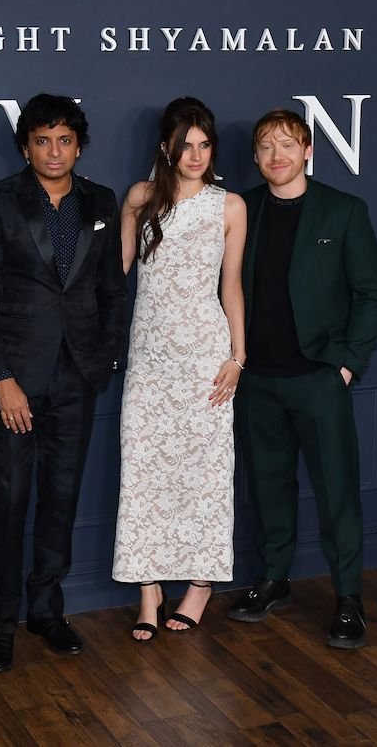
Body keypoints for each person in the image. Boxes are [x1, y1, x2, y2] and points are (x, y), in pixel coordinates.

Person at [0, 94, 126, 672]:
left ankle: (46, 610)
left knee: (61, 498)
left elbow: (112, 289)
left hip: (78, 377)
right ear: (25, 146)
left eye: (64, 139)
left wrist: (103, 359)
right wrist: (0, 378)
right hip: (16, 380)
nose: (53, 151)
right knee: (9, 500)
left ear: (78, 145)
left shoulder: (100, 201)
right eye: (41, 140)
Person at [227, 108, 377, 649]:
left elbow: (371, 292)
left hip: (319, 377)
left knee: (336, 490)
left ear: (308, 150)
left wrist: (346, 362)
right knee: (268, 488)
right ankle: (273, 581)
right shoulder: (240, 208)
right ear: (255, 156)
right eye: (267, 146)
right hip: (257, 380)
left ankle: (349, 599)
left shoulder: (343, 211)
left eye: (289, 144)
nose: (278, 156)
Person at [111, 97, 246, 640]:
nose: (195, 154)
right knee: (141, 471)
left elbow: (231, 285)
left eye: (204, 144)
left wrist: (238, 356)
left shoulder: (229, 205)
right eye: (185, 144)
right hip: (149, 357)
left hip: (204, 358)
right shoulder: (141, 198)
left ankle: (199, 586)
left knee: (206, 476)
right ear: (166, 146)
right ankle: (149, 594)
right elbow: (117, 269)